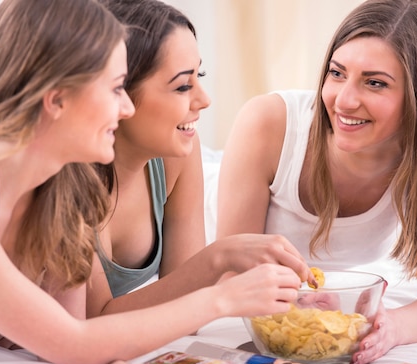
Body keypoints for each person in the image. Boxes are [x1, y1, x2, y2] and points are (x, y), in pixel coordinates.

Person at [0, 0, 304, 364]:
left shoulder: (59, 186)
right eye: (115, 89)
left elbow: (73, 331)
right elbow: (74, 339)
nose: (126, 107)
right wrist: (222, 299)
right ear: (56, 101)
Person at [217, 0, 417, 364]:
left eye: (375, 83)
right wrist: (304, 303)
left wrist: (393, 326)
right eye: (337, 73)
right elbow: (230, 272)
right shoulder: (269, 122)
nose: (344, 101)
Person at [87, 0, 311, 316]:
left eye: (200, 74)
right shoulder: (75, 179)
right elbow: (91, 326)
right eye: (182, 86)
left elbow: (186, 313)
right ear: (117, 92)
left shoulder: (177, 157)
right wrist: (217, 258)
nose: (204, 100)